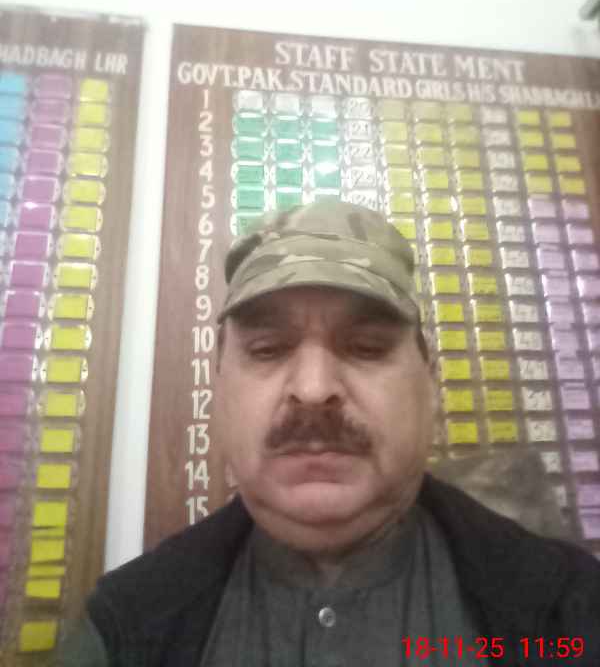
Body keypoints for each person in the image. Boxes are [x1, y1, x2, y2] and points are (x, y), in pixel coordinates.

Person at [57, 200, 600, 666]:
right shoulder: (126, 630)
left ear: (429, 383)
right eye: (267, 349)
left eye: (366, 347)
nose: (314, 389)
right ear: (218, 385)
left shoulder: (570, 615)